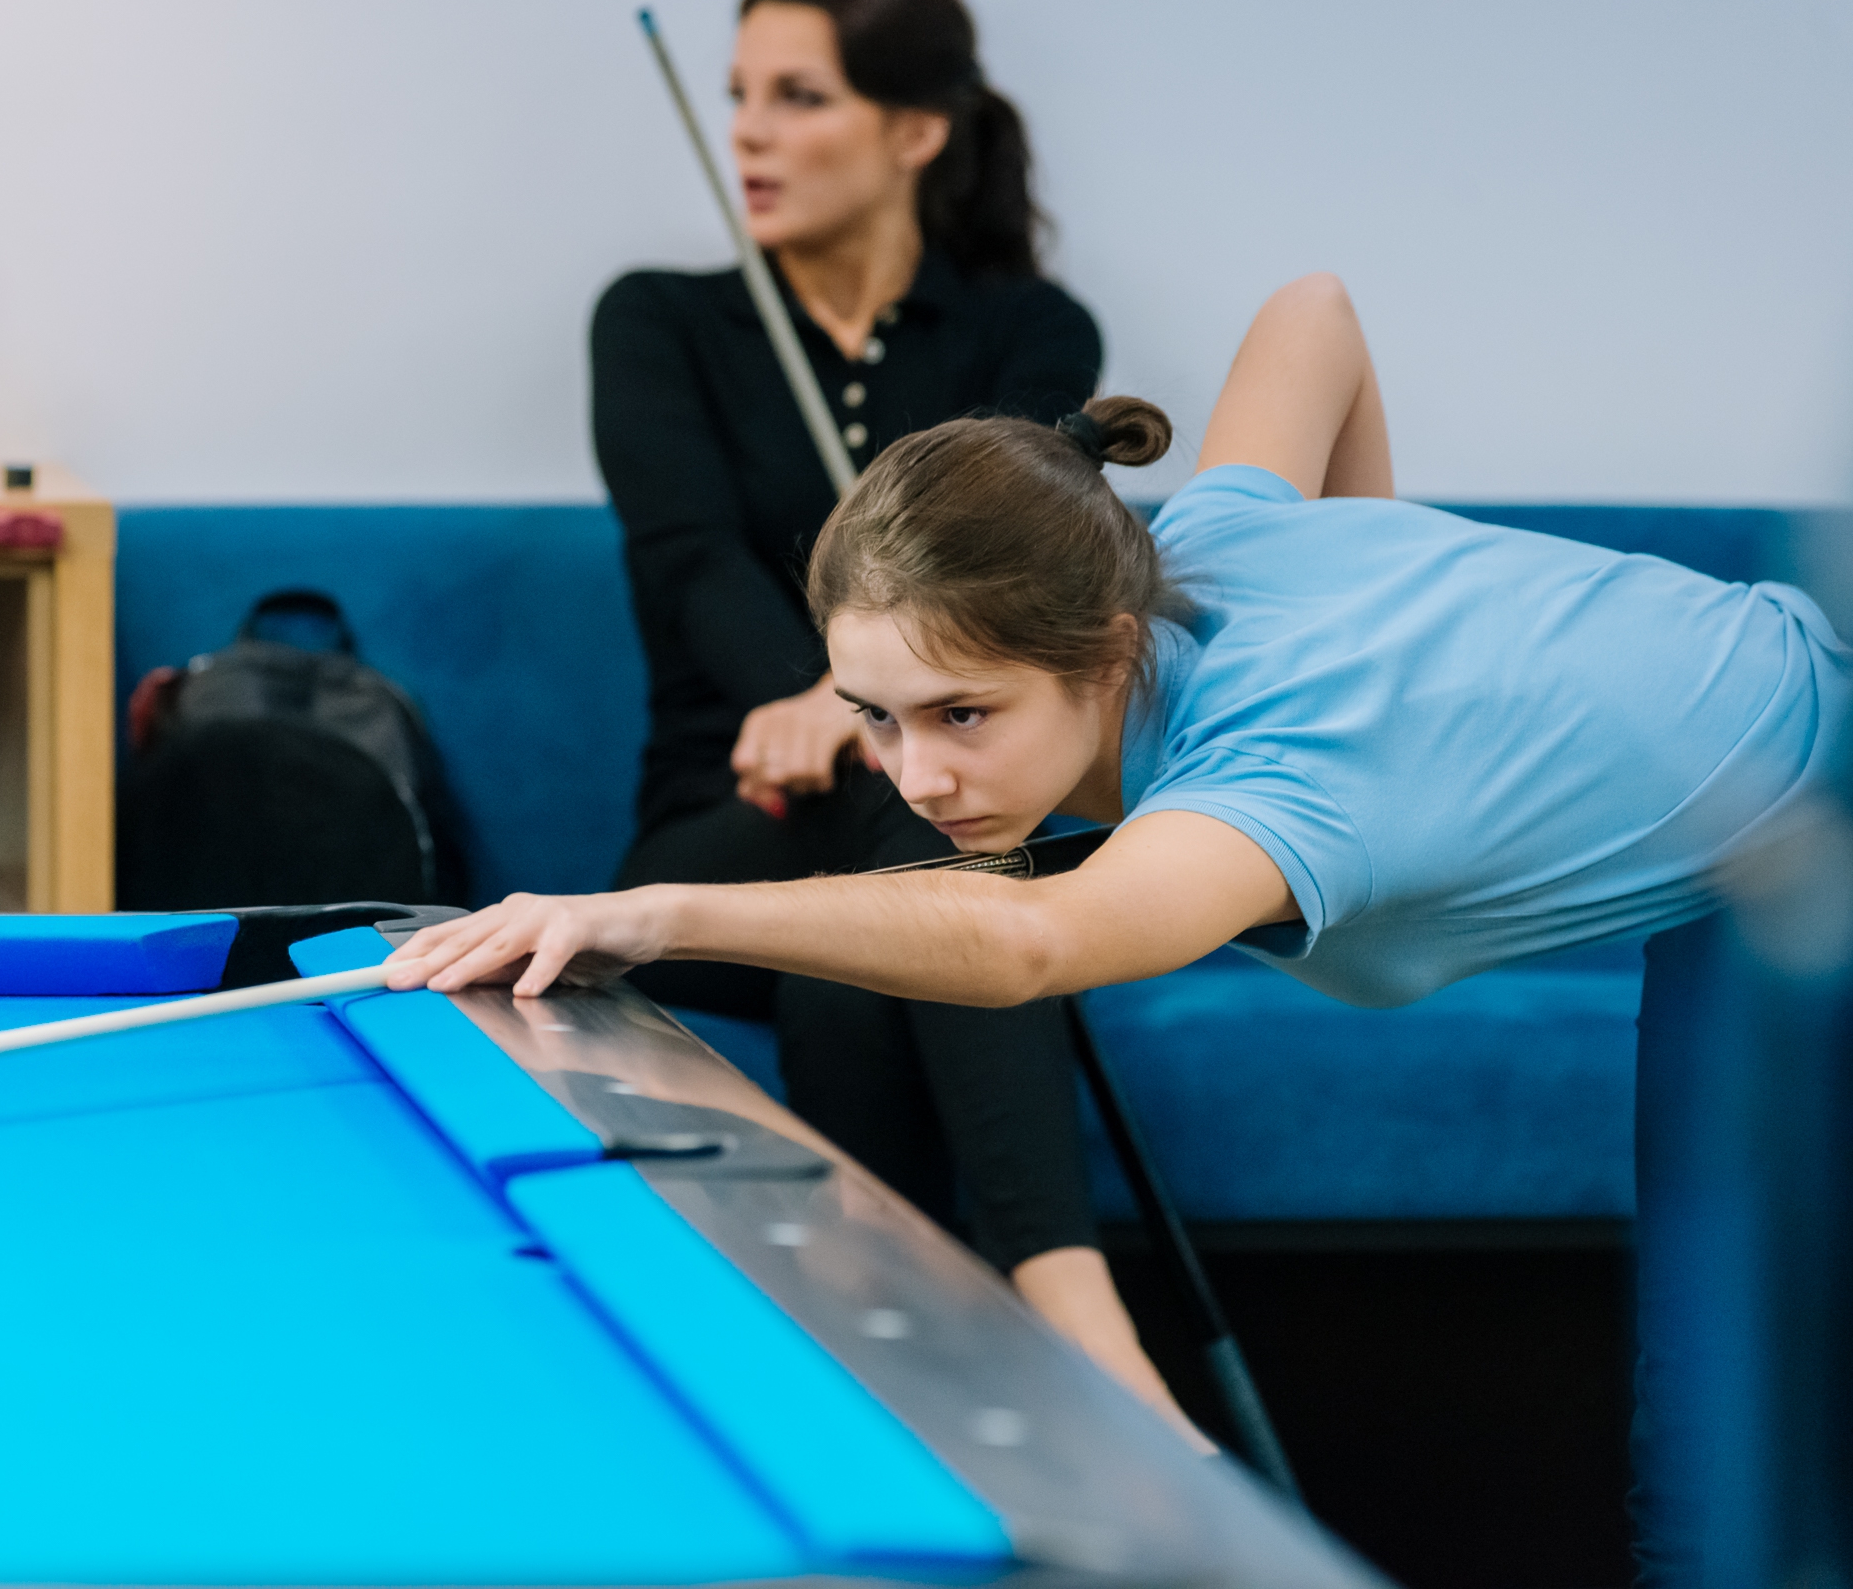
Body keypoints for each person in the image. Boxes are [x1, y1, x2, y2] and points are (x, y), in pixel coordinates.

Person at [395, 271, 1850, 1574]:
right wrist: (1375, 558)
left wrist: (650, 912)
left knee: (1723, 1490)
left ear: (1101, 653)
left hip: (1827, 823)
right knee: (1701, 1463)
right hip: (1751, 849)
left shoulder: (1286, 774)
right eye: (875, 717)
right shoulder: (1199, 538)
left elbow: (1033, 942)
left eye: (963, 714)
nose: (916, 776)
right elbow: (1314, 311)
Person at [591, 0, 1198, 1437]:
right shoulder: (661, 322)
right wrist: (817, 698)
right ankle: (1088, 1345)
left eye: (798, 97)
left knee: (894, 841)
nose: (748, 133)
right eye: (740, 95)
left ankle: (891, 1393)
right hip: (725, 819)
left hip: (943, 829)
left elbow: (1004, 584)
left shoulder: (1032, 332)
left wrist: (868, 719)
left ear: (916, 130)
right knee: (914, 783)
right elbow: (688, 565)